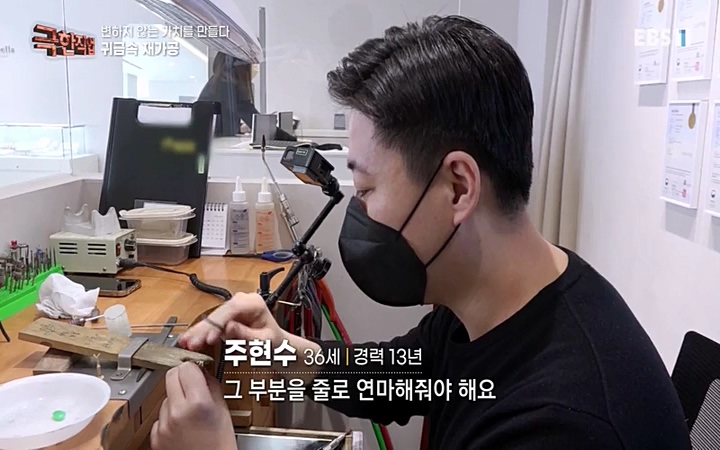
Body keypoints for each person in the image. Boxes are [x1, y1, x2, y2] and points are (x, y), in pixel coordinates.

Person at [150, 16, 692, 450]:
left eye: (366, 189)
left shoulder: (561, 424)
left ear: (458, 188)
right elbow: (405, 376)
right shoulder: (491, 303)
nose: (359, 211)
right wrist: (292, 356)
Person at [198, 52, 259, 137]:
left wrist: (239, 127)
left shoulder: (216, 83)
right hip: (216, 141)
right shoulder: (229, 87)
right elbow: (251, 116)